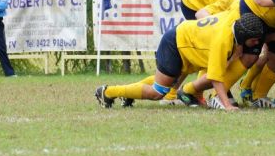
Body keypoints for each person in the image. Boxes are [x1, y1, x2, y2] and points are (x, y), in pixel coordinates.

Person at [95, 11, 265, 111]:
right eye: (255, 40)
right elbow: (215, 78)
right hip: (175, 44)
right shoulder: (223, 41)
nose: (257, 43)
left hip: (185, 44)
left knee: (161, 83)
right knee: (158, 92)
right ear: (243, 36)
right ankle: (107, 92)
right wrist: (227, 105)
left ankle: (126, 94)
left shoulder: (234, 19)